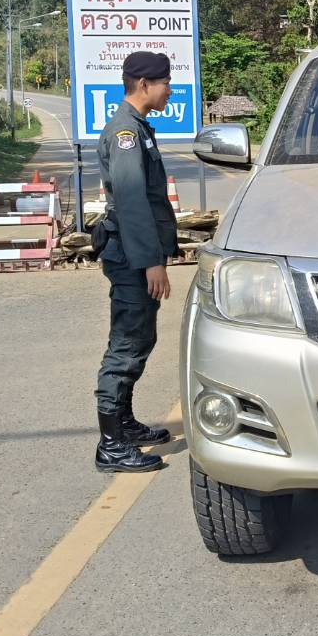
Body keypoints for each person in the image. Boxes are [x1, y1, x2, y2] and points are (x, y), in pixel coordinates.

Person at [93, 51, 179, 473]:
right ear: (144, 84)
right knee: (127, 343)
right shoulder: (126, 132)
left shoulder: (137, 127)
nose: (170, 90)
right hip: (131, 256)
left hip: (135, 253)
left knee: (141, 337)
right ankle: (110, 445)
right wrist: (151, 262)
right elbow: (131, 202)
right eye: (165, 83)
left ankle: (123, 425)